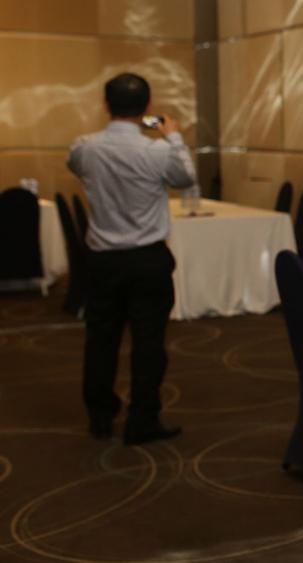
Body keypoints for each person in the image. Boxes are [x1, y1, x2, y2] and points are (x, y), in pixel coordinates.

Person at [68, 72, 196, 445]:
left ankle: (100, 415)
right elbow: (186, 178)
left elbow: (76, 166)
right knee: (149, 341)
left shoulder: (84, 148)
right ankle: (142, 419)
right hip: (147, 260)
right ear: (148, 107)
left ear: (105, 105)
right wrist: (173, 136)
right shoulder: (158, 151)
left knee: (100, 338)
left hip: (102, 260)